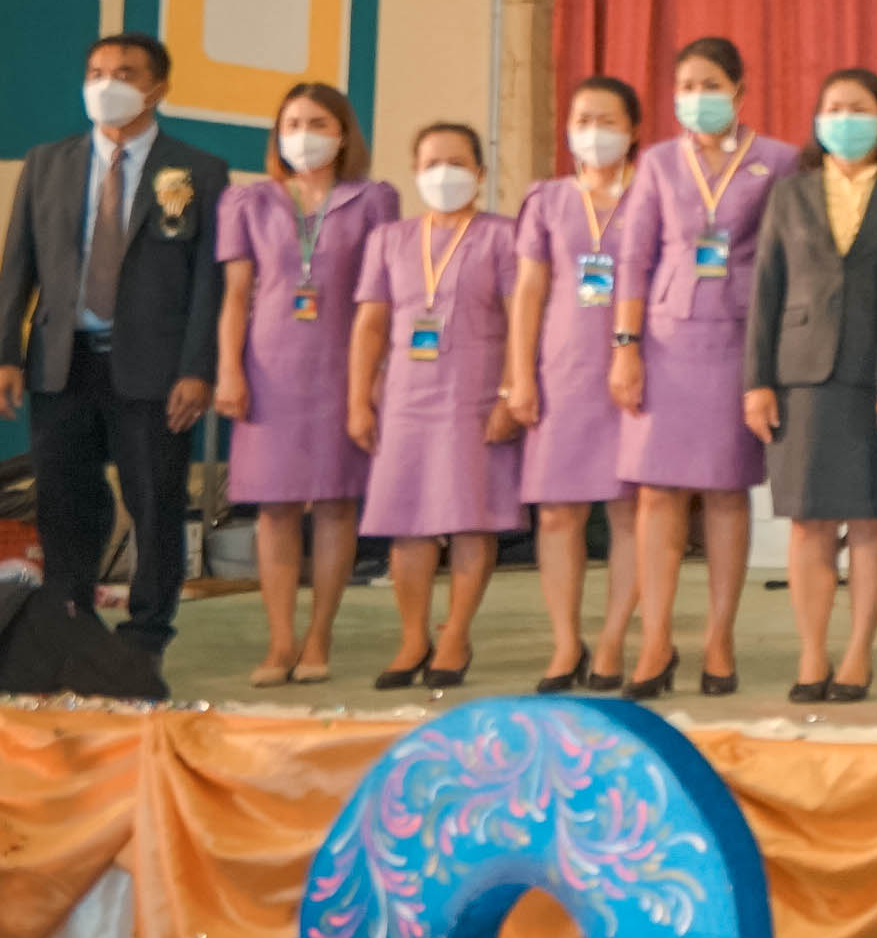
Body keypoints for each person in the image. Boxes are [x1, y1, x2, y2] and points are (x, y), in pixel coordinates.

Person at [0, 33, 231, 659]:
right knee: (65, 500)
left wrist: (197, 368)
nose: (106, 84)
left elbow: (209, 282)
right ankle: (70, 618)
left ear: (157, 87)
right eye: (96, 72)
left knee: (154, 503)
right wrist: (3, 357)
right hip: (61, 363)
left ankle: (147, 633)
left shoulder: (198, 171)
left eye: (123, 73)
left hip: (154, 369)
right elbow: (18, 265)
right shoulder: (48, 163)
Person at [608, 38, 794, 701]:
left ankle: (720, 637)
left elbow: (785, 260)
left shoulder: (778, 161)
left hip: (739, 341)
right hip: (665, 342)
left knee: (725, 491)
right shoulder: (659, 162)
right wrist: (625, 345)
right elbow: (633, 258)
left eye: (710, 84)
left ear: (739, 91)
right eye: (685, 85)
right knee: (657, 493)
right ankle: (655, 640)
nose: (696, 97)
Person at [744, 69, 877, 704]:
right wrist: (757, 381)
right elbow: (765, 290)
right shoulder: (789, 195)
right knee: (809, 522)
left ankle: (857, 653)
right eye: (834, 108)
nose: (845, 119)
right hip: (802, 377)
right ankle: (812, 653)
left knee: (874, 520)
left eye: (859, 108)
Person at [211, 82, 394, 687]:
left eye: (318, 123)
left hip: (343, 366)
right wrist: (229, 369)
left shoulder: (373, 199)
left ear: (343, 134)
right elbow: (235, 296)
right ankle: (280, 640)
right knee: (276, 506)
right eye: (292, 124)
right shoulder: (247, 201)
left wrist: (376, 378)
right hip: (269, 368)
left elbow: (382, 296)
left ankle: (319, 636)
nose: (304, 135)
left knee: (337, 503)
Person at [345, 123, 520, 689]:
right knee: (408, 523)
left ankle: (455, 636)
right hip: (403, 400)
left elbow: (522, 321)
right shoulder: (389, 239)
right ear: (415, 172)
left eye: (457, 162)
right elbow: (370, 325)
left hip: (474, 396)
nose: (444, 173)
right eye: (431, 163)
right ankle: (412, 637)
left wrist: (511, 392)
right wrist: (358, 400)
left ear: (480, 173)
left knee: (471, 519)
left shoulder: (504, 236)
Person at [503, 77, 648, 692]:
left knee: (631, 510)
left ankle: (613, 638)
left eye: (607, 119)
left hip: (634, 367)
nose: (593, 131)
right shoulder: (547, 200)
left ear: (633, 129)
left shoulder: (652, 195)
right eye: (582, 118)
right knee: (558, 513)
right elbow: (529, 291)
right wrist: (519, 376)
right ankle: (566, 642)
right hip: (561, 371)